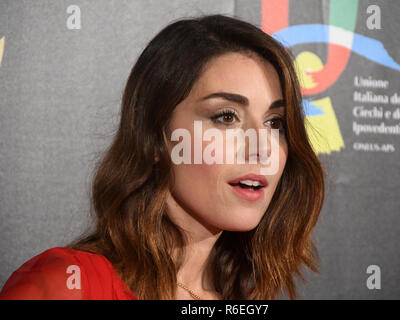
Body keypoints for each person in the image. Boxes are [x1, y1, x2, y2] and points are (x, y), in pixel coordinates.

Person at [0, 14, 325, 300]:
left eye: (275, 123)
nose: (262, 147)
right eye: (226, 117)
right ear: (155, 137)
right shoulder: (68, 285)